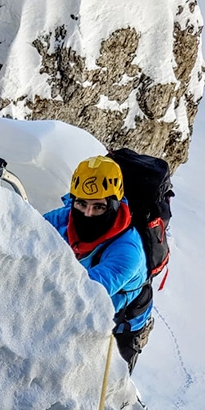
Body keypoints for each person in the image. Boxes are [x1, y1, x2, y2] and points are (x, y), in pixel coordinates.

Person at [44, 156, 154, 374]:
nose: (87, 214)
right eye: (81, 203)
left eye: (99, 207)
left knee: (112, 388)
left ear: (114, 204)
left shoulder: (127, 252)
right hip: (84, 304)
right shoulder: (66, 218)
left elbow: (84, 296)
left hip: (122, 328)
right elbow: (27, 229)